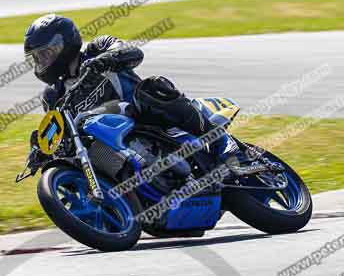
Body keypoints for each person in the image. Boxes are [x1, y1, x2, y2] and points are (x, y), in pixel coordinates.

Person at [23, 13, 248, 174]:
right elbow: (59, 130)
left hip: (145, 116)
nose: (42, 62)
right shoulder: (53, 95)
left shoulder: (97, 48)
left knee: (151, 87)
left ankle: (220, 142)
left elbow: (132, 52)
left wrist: (106, 59)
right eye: (37, 57)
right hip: (115, 142)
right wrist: (40, 150)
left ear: (65, 43)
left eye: (46, 53)